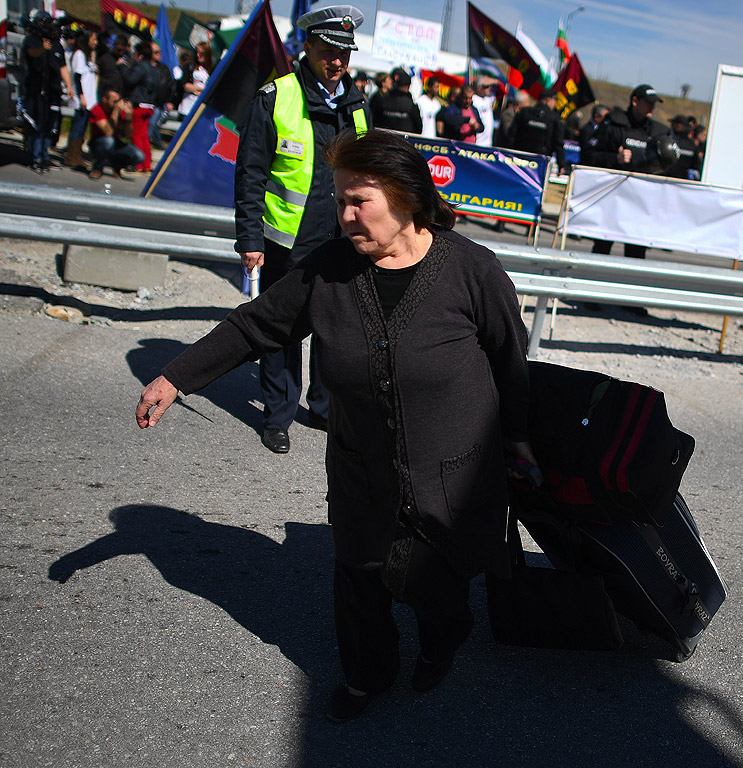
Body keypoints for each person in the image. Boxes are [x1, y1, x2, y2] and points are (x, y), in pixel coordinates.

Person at [135, 128, 536, 723]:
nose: (344, 215)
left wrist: (520, 444)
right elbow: (255, 326)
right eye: (339, 199)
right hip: (360, 462)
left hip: (450, 468)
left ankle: (442, 641)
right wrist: (177, 376)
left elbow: (510, 360)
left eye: (359, 201)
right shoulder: (327, 269)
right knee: (359, 575)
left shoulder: (471, 270)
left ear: (405, 197)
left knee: (439, 585)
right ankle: (367, 675)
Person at [234, 3, 372, 454]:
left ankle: (324, 407)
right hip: (286, 240)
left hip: (344, 239)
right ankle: (277, 415)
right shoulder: (276, 96)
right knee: (282, 328)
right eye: (329, 50)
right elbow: (250, 172)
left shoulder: (357, 105)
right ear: (308, 46)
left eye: (345, 53)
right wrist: (250, 239)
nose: (338, 62)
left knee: (336, 325)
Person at [581, 84, 672, 262]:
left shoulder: (659, 131)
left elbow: (667, 165)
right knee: (602, 246)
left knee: (636, 252)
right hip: (612, 200)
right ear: (635, 101)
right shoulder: (613, 124)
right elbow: (589, 155)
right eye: (648, 103)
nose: (652, 107)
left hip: (640, 203)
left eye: (654, 103)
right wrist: (616, 158)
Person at [21, 11, 74, 172]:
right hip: (36, 89)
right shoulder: (32, 40)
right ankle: (35, 156)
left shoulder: (57, 44)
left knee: (49, 124)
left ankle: (44, 155)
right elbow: (31, 53)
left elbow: (62, 66)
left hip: (53, 90)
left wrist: (69, 86)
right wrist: (42, 49)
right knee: (36, 122)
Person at [87, 88, 144, 180]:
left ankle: (118, 165)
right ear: (105, 99)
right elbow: (108, 132)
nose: (117, 104)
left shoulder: (119, 111)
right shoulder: (97, 109)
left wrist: (128, 118)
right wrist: (116, 112)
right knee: (108, 141)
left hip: (115, 142)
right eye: (114, 101)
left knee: (139, 156)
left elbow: (128, 134)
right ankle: (97, 169)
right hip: (98, 142)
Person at [122, 41, 160, 173]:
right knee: (144, 137)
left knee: (136, 135)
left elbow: (130, 80)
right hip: (150, 106)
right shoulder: (154, 69)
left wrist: (123, 68)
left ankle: (138, 164)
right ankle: (147, 164)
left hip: (140, 105)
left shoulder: (141, 67)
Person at [510, 87, 566, 172]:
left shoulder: (524, 112)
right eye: (554, 101)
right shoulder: (555, 118)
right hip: (541, 163)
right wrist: (561, 164)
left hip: (519, 160)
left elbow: (511, 135)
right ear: (548, 100)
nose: (554, 104)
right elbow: (558, 143)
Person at [66, 30, 98, 171]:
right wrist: (82, 96)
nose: (95, 42)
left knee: (82, 128)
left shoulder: (88, 55)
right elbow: (78, 78)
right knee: (78, 127)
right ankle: (72, 156)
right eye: (93, 39)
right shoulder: (79, 54)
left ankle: (77, 155)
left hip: (89, 99)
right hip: (82, 99)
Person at [371, 67, 421, 133]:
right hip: (403, 141)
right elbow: (419, 128)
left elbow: (373, 120)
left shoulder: (382, 101)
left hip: (383, 139)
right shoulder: (411, 106)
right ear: (408, 86)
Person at [148, 46, 177, 150]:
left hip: (158, 104)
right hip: (145, 102)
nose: (159, 54)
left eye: (159, 52)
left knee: (151, 126)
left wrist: (170, 101)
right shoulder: (145, 67)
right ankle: (157, 144)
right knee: (151, 127)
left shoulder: (164, 69)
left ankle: (150, 147)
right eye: (156, 52)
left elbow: (171, 86)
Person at [178, 42, 213, 116]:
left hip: (201, 111)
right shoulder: (190, 66)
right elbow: (185, 85)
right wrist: (202, 89)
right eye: (197, 52)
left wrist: (196, 89)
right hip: (187, 109)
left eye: (201, 53)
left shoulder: (211, 70)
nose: (198, 55)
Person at [471, 76, 498, 146]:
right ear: (479, 88)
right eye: (487, 86)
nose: (490, 88)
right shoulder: (473, 99)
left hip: (488, 143)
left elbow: (501, 88)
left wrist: (494, 81)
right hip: (478, 142)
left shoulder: (489, 98)